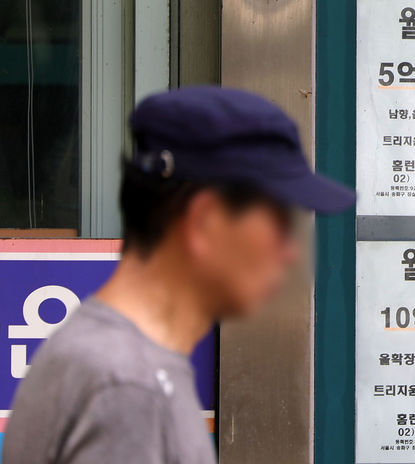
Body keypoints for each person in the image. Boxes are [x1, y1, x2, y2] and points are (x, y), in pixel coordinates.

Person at [2, 86, 355, 463]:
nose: (290, 252)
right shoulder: (130, 388)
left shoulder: (118, 362)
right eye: (278, 223)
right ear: (204, 222)